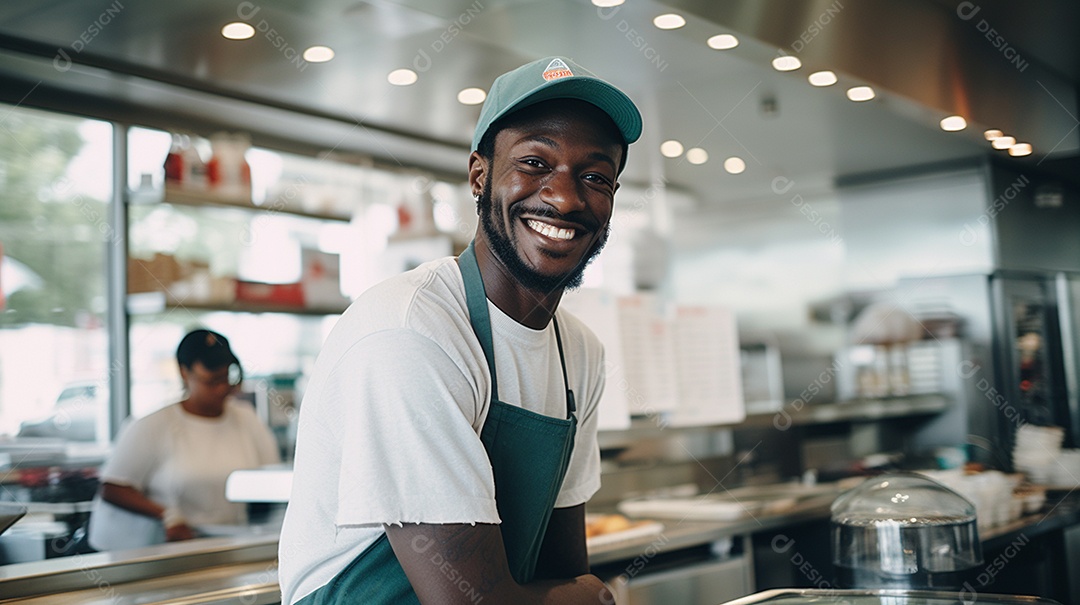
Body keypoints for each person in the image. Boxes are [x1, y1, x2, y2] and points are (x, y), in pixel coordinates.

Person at [278, 56, 641, 604]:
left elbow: (560, 568)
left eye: (594, 176)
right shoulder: (410, 332)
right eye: (535, 162)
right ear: (479, 174)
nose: (565, 198)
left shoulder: (578, 354)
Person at [88, 329, 280, 550]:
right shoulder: (154, 425)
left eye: (226, 378)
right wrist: (168, 515)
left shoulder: (246, 419)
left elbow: (270, 478)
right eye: (211, 381)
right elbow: (113, 487)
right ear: (184, 373)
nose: (221, 389)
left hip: (227, 543)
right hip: (166, 550)